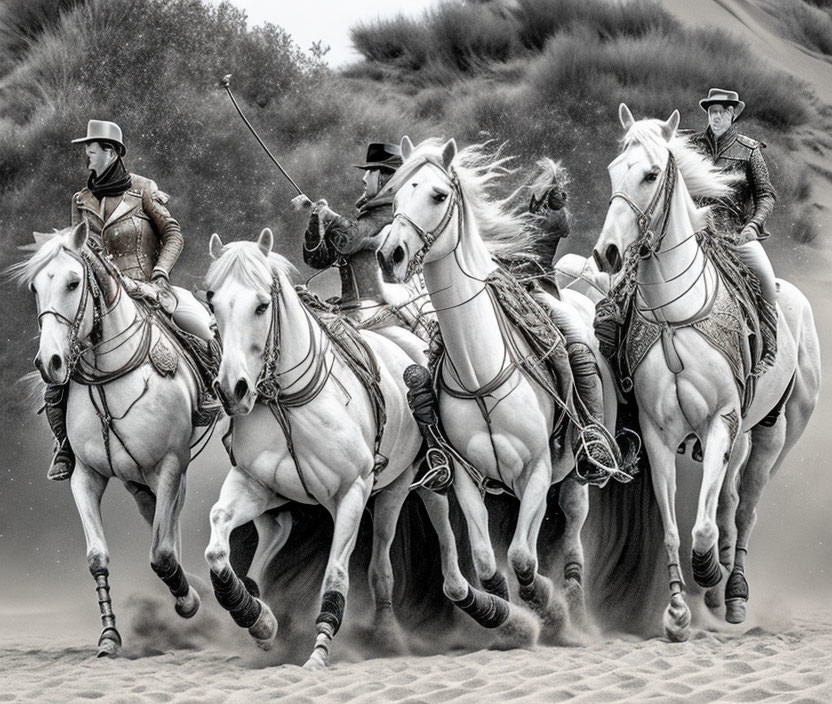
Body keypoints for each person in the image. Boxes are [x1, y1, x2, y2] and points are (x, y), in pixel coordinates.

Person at [44, 119, 214, 481]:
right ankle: (65, 444)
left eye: (91, 148)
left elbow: (173, 233)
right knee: (57, 356)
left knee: (203, 330)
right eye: (86, 149)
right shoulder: (80, 199)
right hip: (103, 298)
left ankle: (213, 394)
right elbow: (80, 251)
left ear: (110, 151)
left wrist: (161, 276)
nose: (86, 154)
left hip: (151, 288)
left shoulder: (143, 189)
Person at [690, 88, 777, 305]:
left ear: (733, 114)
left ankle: (769, 333)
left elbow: (765, 194)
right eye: (712, 112)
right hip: (691, 234)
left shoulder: (749, 150)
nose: (716, 117)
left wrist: (753, 226)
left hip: (735, 237)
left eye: (721, 112)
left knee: (766, 278)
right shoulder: (691, 145)